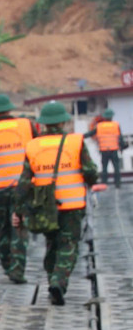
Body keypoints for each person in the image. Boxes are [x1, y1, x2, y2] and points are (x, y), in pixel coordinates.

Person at [17, 102, 99, 306]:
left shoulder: (33, 146)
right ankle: (58, 282)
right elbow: (90, 172)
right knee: (68, 245)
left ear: (43, 123)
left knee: (52, 245)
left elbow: (24, 182)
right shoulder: (75, 142)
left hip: (45, 208)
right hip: (72, 205)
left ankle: (52, 280)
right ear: (63, 121)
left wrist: (20, 210)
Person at [0, 93, 38, 283]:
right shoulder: (26, 125)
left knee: (3, 228)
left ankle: (6, 263)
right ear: (9, 110)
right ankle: (18, 270)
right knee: (19, 228)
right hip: (23, 187)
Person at [84, 107, 123, 188]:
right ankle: (118, 184)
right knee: (116, 168)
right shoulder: (116, 125)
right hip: (114, 150)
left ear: (104, 117)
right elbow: (120, 138)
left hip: (104, 150)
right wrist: (122, 147)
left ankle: (104, 183)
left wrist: (81, 136)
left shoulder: (99, 126)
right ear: (112, 116)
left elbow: (91, 133)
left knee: (104, 168)